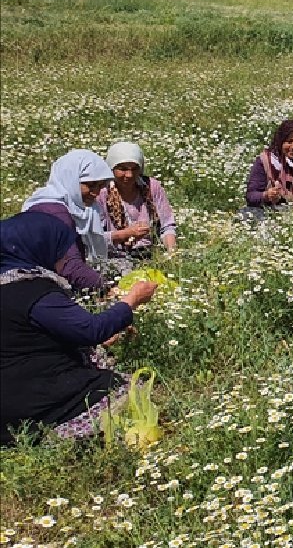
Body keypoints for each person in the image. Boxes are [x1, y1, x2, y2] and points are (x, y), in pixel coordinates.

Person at [1, 212, 157, 446]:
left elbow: (26, 338)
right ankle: (61, 434)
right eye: (60, 249)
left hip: (9, 397)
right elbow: (91, 329)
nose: (65, 257)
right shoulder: (34, 291)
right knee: (129, 388)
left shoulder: (9, 284)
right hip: (33, 398)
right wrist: (131, 300)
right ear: (40, 247)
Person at [21, 150, 112, 292]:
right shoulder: (55, 212)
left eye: (100, 186)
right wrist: (109, 288)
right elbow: (70, 266)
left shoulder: (73, 206)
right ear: (71, 179)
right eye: (90, 185)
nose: (96, 193)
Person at [98, 142, 177, 259]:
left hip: (151, 253)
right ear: (111, 169)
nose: (129, 175)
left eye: (134, 169)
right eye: (123, 169)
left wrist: (172, 254)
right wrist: (127, 233)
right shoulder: (102, 193)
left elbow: (167, 226)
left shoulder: (151, 187)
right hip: (115, 256)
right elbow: (95, 238)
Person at [242, 120, 293, 219]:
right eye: (289, 142)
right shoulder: (266, 160)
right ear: (280, 141)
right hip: (270, 212)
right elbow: (251, 196)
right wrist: (267, 195)